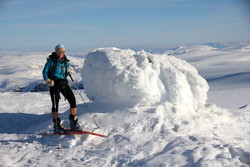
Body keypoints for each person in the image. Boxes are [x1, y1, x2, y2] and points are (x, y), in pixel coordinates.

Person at [42, 44, 80, 133]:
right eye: (59, 51)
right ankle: (56, 126)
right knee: (55, 105)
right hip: (54, 83)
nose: (61, 53)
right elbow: (45, 72)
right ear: (56, 51)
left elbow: (67, 67)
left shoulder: (66, 61)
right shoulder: (51, 61)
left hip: (63, 83)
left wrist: (68, 69)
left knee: (73, 101)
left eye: (63, 51)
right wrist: (47, 80)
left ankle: (74, 123)